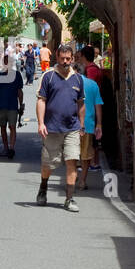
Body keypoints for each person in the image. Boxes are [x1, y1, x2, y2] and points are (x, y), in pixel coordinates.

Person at [36, 43, 85, 212]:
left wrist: (82, 125)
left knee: (72, 161)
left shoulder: (78, 78)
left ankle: (69, 199)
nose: (65, 61)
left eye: (68, 59)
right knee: (48, 165)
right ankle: (43, 187)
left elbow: (81, 104)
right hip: (52, 128)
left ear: (72, 59)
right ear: (56, 58)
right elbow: (41, 100)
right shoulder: (48, 76)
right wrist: (41, 123)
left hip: (72, 128)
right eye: (62, 58)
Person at [76, 61, 105, 190]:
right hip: (88, 125)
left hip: (71, 125)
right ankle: (82, 180)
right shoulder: (93, 85)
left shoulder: (70, 84)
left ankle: (73, 176)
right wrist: (99, 124)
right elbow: (98, 105)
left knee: (71, 153)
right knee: (86, 155)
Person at [0, 54, 22, 158]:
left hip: (13, 106)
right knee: (3, 127)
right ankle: (5, 148)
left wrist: (21, 104)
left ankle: (11, 148)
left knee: (12, 126)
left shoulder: (17, 75)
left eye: (9, 61)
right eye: (5, 61)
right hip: (0, 106)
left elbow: (19, 91)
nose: (7, 63)